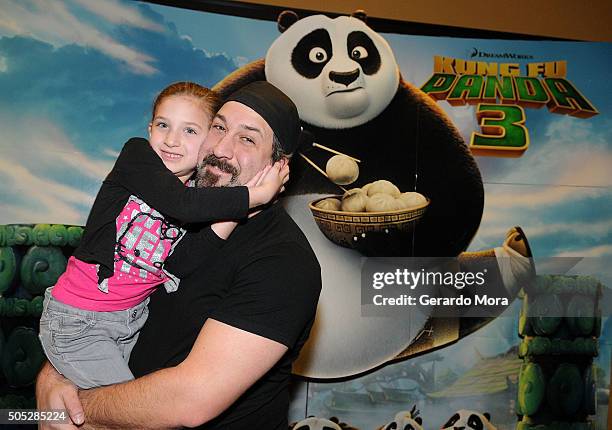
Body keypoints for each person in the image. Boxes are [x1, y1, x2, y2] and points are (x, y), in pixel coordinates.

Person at [36, 81, 322, 429]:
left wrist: (73, 410)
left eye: (247, 139)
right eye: (218, 127)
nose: (221, 148)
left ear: (280, 167)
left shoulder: (284, 261)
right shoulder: (177, 207)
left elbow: (189, 401)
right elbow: (99, 308)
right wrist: (53, 377)